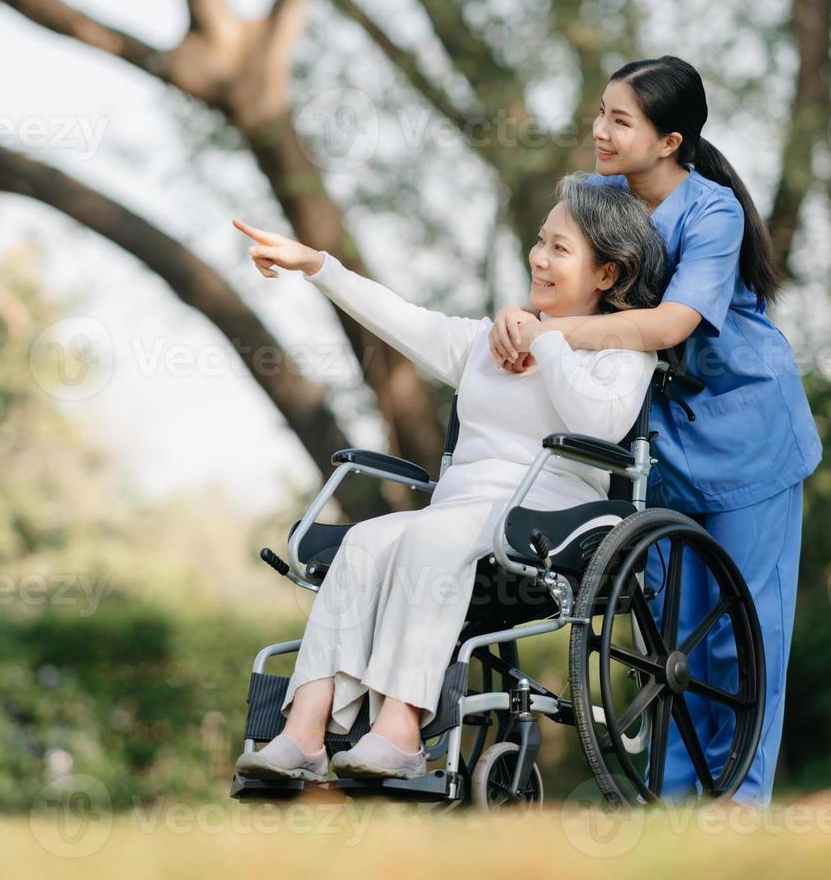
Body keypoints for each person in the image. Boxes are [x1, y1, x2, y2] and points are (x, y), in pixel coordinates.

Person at [230, 173, 669, 782]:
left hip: (553, 516)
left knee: (435, 537)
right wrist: (316, 265)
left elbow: (598, 420)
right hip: (461, 513)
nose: (538, 258)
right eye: (540, 241)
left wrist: (546, 342)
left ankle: (402, 730)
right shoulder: (484, 345)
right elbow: (400, 319)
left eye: (560, 249)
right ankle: (304, 733)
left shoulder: (625, 350)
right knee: (363, 541)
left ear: (607, 274)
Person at [489, 57, 822, 804]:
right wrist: (523, 316)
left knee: (745, 639)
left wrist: (556, 334)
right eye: (600, 113)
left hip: (749, 437)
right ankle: (673, 811)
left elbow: (672, 323)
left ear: (669, 140)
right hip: (661, 448)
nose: (598, 132)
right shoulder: (596, 196)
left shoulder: (713, 213)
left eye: (619, 120)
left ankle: (738, 809)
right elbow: (562, 279)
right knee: (675, 641)